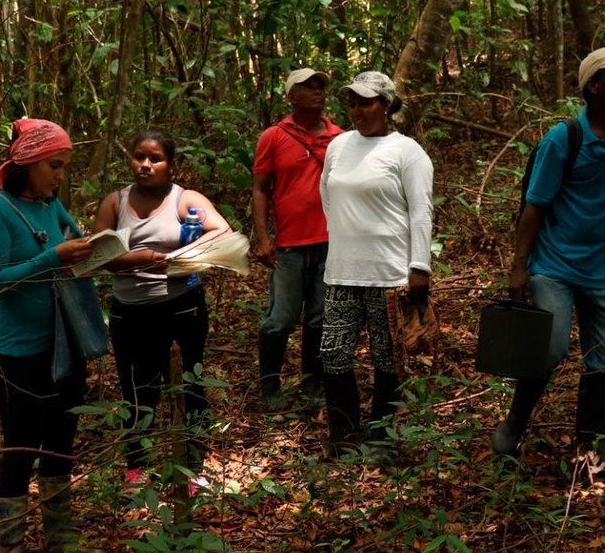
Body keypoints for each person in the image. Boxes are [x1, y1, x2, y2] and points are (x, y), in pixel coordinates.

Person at [496, 47, 605, 480]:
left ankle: (588, 453)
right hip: (553, 265)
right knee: (550, 347)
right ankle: (515, 423)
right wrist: (519, 267)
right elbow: (533, 208)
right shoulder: (563, 138)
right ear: (593, 86)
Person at [0, 118, 98, 553]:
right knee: (21, 446)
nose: (60, 175)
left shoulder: (51, 205)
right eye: (54, 165)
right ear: (27, 163)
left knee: (61, 443)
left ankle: (62, 540)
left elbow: (76, 243)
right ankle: (12, 552)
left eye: (63, 166)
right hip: (16, 354)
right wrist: (52, 257)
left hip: (63, 344)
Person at [91, 130, 232, 487]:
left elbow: (223, 232)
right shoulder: (115, 202)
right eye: (139, 157)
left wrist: (177, 256)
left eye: (155, 159)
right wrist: (134, 260)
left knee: (189, 385)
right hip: (130, 312)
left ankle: (192, 466)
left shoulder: (185, 200)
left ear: (171, 165)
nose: (145, 165)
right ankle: (137, 466)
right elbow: (97, 254)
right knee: (137, 390)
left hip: (181, 308)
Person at [318, 71, 434, 455]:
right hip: (341, 271)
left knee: (387, 358)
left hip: (389, 273)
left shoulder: (408, 151)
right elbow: (327, 198)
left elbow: (420, 211)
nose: (356, 110)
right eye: (351, 102)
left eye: (365, 102)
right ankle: (344, 438)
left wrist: (419, 267)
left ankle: (382, 438)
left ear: (386, 105)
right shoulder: (338, 146)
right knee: (334, 354)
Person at [250, 67, 345, 411]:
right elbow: (261, 189)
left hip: (331, 244)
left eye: (321, 85)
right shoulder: (274, 137)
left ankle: (312, 386)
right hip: (289, 247)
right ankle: (270, 388)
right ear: (292, 96)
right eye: (308, 87)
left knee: (320, 318)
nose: (318, 91)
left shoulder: (341, 138)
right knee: (280, 319)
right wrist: (263, 239)